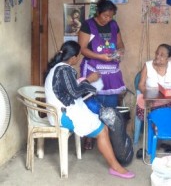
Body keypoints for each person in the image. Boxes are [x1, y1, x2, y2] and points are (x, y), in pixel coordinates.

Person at [44, 40, 135, 179]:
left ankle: (115, 165)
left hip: (58, 112)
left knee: (101, 126)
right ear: (74, 57)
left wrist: (85, 81)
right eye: (79, 56)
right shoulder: (64, 69)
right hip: (62, 116)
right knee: (101, 130)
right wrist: (89, 80)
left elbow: (68, 89)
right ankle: (115, 167)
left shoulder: (56, 68)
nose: (79, 58)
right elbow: (74, 92)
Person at [78, 0, 126, 150]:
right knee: (92, 103)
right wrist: (100, 57)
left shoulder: (114, 25)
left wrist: (119, 52)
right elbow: (83, 49)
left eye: (111, 16)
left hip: (111, 71)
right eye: (105, 15)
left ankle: (110, 136)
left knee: (111, 104)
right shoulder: (88, 25)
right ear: (98, 13)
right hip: (94, 69)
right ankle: (90, 137)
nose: (108, 19)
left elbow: (120, 44)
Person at [138, 43, 171, 109]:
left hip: (170, 101)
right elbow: (141, 85)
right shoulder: (147, 65)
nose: (157, 57)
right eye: (157, 53)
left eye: (162, 55)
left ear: (169, 58)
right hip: (151, 101)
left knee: (170, 113)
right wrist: (147, 96)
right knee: (143, 108)